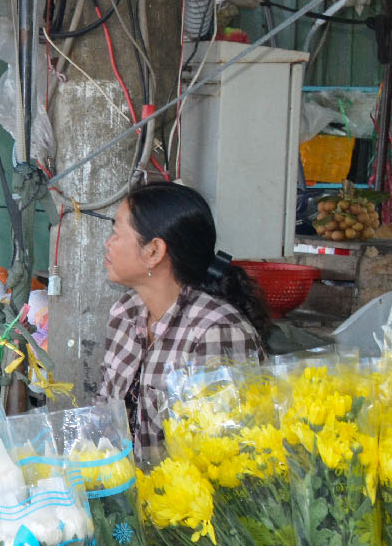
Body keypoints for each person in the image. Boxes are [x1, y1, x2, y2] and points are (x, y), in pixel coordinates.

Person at [100, 181, 270, 456]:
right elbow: (105, 415)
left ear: (153, 251)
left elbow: (226, 453)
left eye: (117, 233)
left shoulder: (217, 331)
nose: (108, 244)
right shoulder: (125, 313)